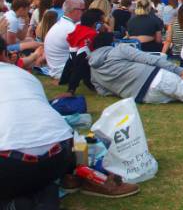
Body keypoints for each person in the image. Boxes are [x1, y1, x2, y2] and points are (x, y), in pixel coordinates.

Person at [1, 38, 140, 204]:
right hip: (60, 157)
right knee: (70, 136)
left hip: (11, 165)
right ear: (4, 54)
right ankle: (76, 176)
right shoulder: (24, 76)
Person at [43, 0, 84, 79]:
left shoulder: (62, 23)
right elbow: (84, 53)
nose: (84, 13)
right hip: (64, 72)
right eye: (83, 10)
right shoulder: (71, 28)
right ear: (75, 10)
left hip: (56, 69)